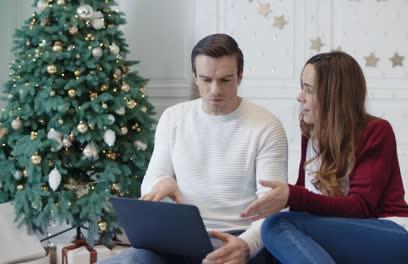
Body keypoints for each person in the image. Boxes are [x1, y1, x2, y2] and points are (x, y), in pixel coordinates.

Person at [100, 33, 287, 264]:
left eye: (225, 80)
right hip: (182, 239)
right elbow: (152, 181)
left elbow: (272, 207)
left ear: (239, 77)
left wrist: (247, 246)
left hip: (238, 237)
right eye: (206, 80)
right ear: (195, 77)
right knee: (130, 260)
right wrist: (161, 182)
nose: (215, 90)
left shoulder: (267, 126)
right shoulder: (173, 117)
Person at [240, 51, 408, 264]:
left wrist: (292, 195)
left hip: (395, 235)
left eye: (308, 89)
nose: (299, 96)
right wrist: (246, 242)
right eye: (302, 87)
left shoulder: (377, 131)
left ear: (333, 95)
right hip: (347, 237)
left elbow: (361, 208)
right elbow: (304, 205)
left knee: (278, 225)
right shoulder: (310, 134)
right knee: (271, 242)